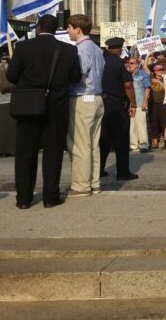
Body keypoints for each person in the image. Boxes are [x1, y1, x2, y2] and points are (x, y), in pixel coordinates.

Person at [6, 15, 82, 209]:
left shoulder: (22, 48)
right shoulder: (68, 50)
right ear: (57, 29)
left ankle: (23, 198)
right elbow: (75, 78)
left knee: (25, 153)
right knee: (53, 153)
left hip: (28, 105)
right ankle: (50, 197)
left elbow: (11, 76)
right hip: (56, 107)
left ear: (38, 28)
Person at [66, 14, 105, 198]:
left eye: (69, 28)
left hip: (83, 97)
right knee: (92, 145)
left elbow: (79, 74)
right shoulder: (97, 49)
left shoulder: (81, 50)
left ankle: (81, 185)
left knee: (80, 144)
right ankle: (94, 182)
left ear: (77, 29)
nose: (68, 31)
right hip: (97, 97)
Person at [100, 37, 139, 181]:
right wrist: (133, 104)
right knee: (121, 139)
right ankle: (122, 172)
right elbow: (128, 85)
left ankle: (99, 169)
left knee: (102, 139)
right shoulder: (120, 63)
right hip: (117, 104)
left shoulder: (100, 61)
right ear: (121, 48)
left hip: (100, 102)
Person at [0, 53, 16, 158]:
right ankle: (13, 149)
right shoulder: (13, 79)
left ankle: (2, 150)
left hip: (1, 105)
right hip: (11, 103)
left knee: (1, 129)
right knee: (12, 128)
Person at [127, 56, 151, 153]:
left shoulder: (142, 75)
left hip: (140, 102)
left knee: (141, 124)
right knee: (132, 126)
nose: (129, 64)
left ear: (137, 64)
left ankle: (144, 144)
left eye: (132, 63)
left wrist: (145, 101)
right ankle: (133, 145)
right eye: (129, 62)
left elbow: (147, 88)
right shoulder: (127, 74)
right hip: (129, 104)